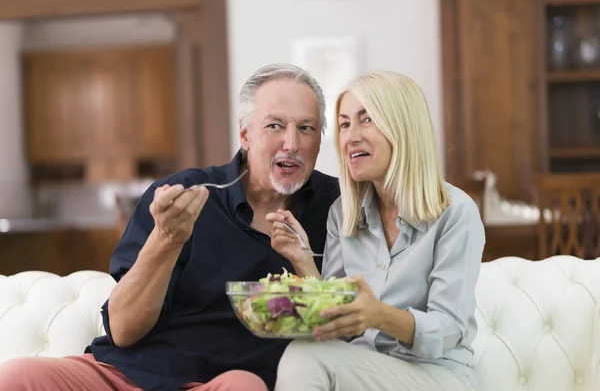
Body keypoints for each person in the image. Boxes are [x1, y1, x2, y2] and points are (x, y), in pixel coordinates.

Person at [0, 64, 340, 391]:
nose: (292, 144)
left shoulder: (339, 208)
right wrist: (166, 239)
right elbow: (122, 330)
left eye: (306, 128)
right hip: (128, 373)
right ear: (245, 135)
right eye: (275, 126)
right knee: (17, 377)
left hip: (224, 383)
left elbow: (344, 324)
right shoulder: (184, 195)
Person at [267, 71, 485, 391]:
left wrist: (378, 315)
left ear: (403, 127)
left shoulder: (455, 212)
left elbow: (450, 328)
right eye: (344, 124)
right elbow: (338, 327)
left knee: (304, 357)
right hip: (368, 371)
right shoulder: (343, 214)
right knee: (307, 351)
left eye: (366, 119)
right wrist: (302, 260)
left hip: (439, 375)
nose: (350, 137)